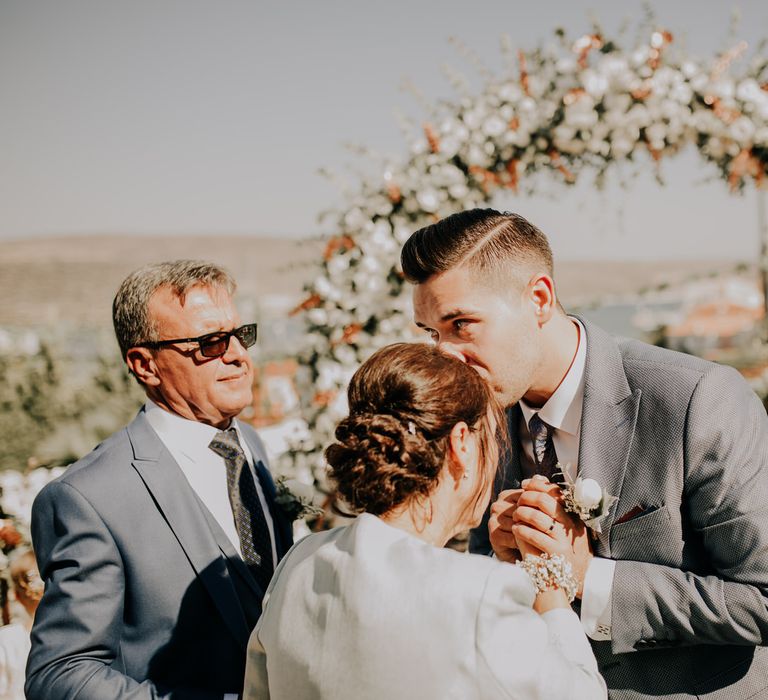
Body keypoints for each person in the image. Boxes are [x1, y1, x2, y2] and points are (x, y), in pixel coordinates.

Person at [401, 208, 768, 699]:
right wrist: (502, 568)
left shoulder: (695, 400)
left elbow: (760, 599)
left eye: (461, 324)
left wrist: (587, 579)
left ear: (539, 298)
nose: (444, 354)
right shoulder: (475, 421)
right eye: (431, 333)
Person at [243, 342, 606, 700]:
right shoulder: (477, 593)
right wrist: (550, 585)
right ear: (461, 444)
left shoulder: (299, 564)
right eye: (493, 437)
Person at [26, 260, 293, 700]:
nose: (238, 355)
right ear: (145, 364)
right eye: (210, 343)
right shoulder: (87, 498)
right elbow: (59, 675)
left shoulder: (251, 444)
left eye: (240, 335)